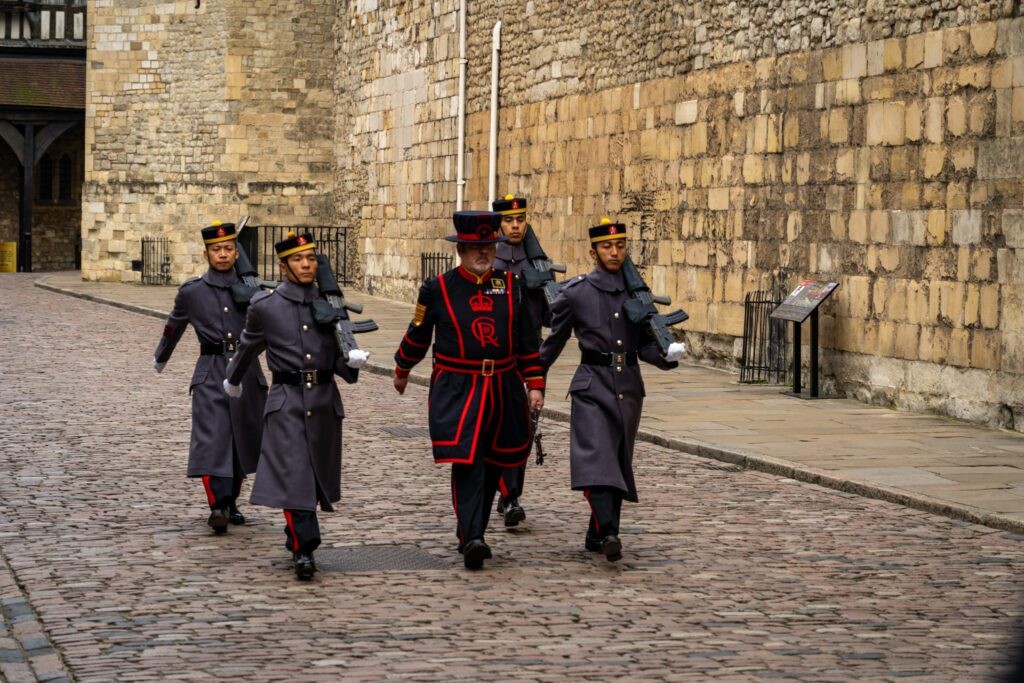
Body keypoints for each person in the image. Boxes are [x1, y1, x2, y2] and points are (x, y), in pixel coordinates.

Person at [393, 210, 545, 570]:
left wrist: (535, 383)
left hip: (504, 387)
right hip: (459, 389)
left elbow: (526, 340)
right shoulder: (438, 288)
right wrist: (402, 367)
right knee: (467, 462)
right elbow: (418, 332)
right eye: (476, 248)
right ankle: (472, 536)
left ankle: (474, 530)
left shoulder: (512, 286)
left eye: (489, 246)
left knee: (496, 461)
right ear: (460, 249)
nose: (484, 253)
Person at [223, 231, 369, 580]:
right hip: (286, 401)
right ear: (283, 266)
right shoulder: (265, 306)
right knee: (295, 473)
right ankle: (306, 547)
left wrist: (352, 361)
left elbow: (342, 367)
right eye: (298, 260)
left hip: (323, 402)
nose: (306, 265)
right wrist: (233, 379)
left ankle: (296, 533)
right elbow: (248, 348)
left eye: (311, 259)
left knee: (312, 476)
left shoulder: (330, 303)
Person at [539, 217, 686, 562]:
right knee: (597, 459)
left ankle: (597, 531)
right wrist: (532, 378)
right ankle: (609, 532)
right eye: (607, 246)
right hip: (592, 384)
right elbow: (553, 344)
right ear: (593, 252)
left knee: (618, 460)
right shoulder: (576, 293)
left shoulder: (637, 295)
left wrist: (667, 355)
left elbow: (643, 346)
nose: (614, 252)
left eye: (620, 245)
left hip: (629, 386)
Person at [153, 220, 267, 535]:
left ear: (236, 251)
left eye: (228, 248)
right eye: (216, 249)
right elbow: (173, 325)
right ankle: (216, 504)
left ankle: (230, 501)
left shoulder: (253, 291)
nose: (223, 254)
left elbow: (272, 329)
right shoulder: (193, 291)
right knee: (213, 438)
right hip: (211, 371)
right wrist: (161, 356)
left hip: (246, 370)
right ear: (207, 254)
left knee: (241, 438)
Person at [490, 194, 549, 528]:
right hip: (496, 354)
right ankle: (501, 488)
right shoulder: (489, 257)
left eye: (520, 220)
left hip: (528, 354)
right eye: (509, 221)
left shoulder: (537, 260)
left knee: (524, 427)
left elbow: (554, 315)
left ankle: (511, 495)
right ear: (500, 223)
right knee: (495, 424)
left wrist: (542, 290)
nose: (515, 225)